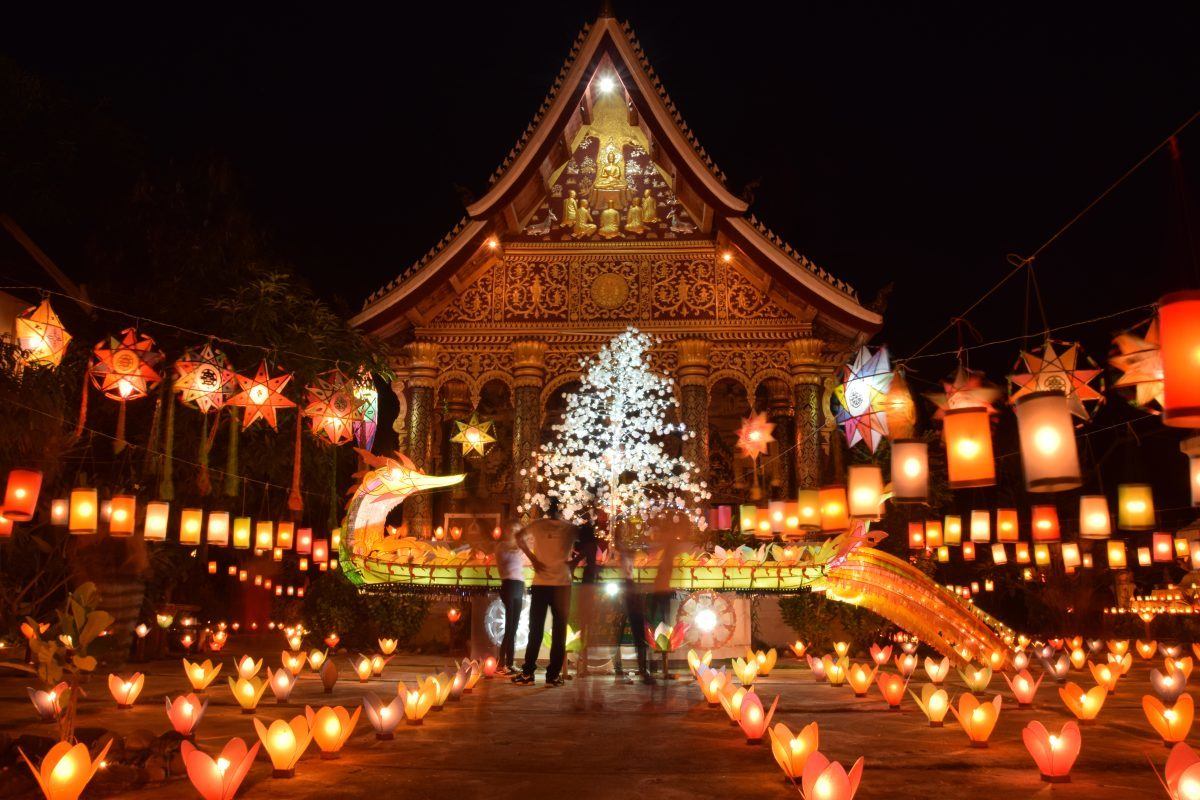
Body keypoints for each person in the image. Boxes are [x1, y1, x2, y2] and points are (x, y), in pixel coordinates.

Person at [512, 497, 579, 686]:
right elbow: (590, 540)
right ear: (561, 509)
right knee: (559, 632)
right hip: (562, 585)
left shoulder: (539, 524)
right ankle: (552, 676)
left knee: (536, 629)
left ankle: (528, 673)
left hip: (542, 583)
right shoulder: (569, 528)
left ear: (547, 508)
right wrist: (574, 561)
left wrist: (532, 558)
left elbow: (518, 537)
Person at [494, 525, 527, 676]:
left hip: (519, 585)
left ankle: (509, 662)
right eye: (514, 530)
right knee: (509, 627)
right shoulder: (502, 547)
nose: (515, 533)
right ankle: (502, 663)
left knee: (514, 627)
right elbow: (506, 562)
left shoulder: (519, 547)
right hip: (509, 585)